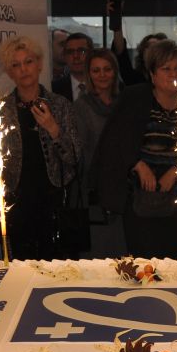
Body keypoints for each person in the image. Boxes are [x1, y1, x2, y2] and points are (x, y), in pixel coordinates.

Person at [93, 39, 177, 259]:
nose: (173, 74)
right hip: (140, 200)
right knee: (145, 264)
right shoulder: (135, 98)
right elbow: (114, 141)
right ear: (153, 74)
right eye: (166, 69)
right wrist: (137, 164)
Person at [0, 35, 79, 260]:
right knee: (22, 267)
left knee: (57, 267)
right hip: (17, 203)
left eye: (29, 61)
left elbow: (74, 157)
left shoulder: (60, 105)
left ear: (40, 64)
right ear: (9, 72)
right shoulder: (3, 110)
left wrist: (53, 128)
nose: (24, 69)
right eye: (16, 65)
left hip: (54, 200)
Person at [73, 48, 124, 257]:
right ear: (89, 74)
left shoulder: (126, 102)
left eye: (107, 69)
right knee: (99, 256)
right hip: (94, 191)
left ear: (115, 71)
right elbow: (81, 151)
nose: (102, 75)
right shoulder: (81, 106)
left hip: (125, 190)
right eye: (96, 70)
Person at [51, 33, 93, 102]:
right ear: (65, 56)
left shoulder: (102, 85)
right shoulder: (54, 89)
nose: (76, 56)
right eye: (70, 52)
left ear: (91, 54)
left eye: (81, 51)